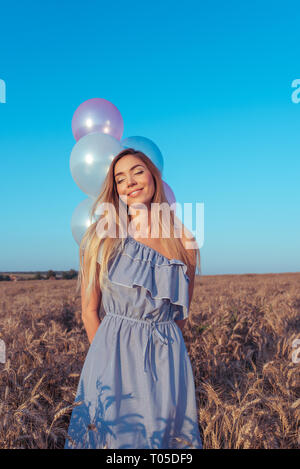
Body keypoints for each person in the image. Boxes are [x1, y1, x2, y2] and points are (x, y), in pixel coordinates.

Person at [64, 148, 203, 449]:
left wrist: (161, 358)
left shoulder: (185, 241)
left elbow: (181, 316)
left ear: (154, 175)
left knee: (162, 443)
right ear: (115, 189)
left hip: (166, 360)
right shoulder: (102, 237)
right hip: (111, 357)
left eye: (137, 171)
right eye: (120, 178)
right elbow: (89, 311)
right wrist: (108, 363)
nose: (130, 182)